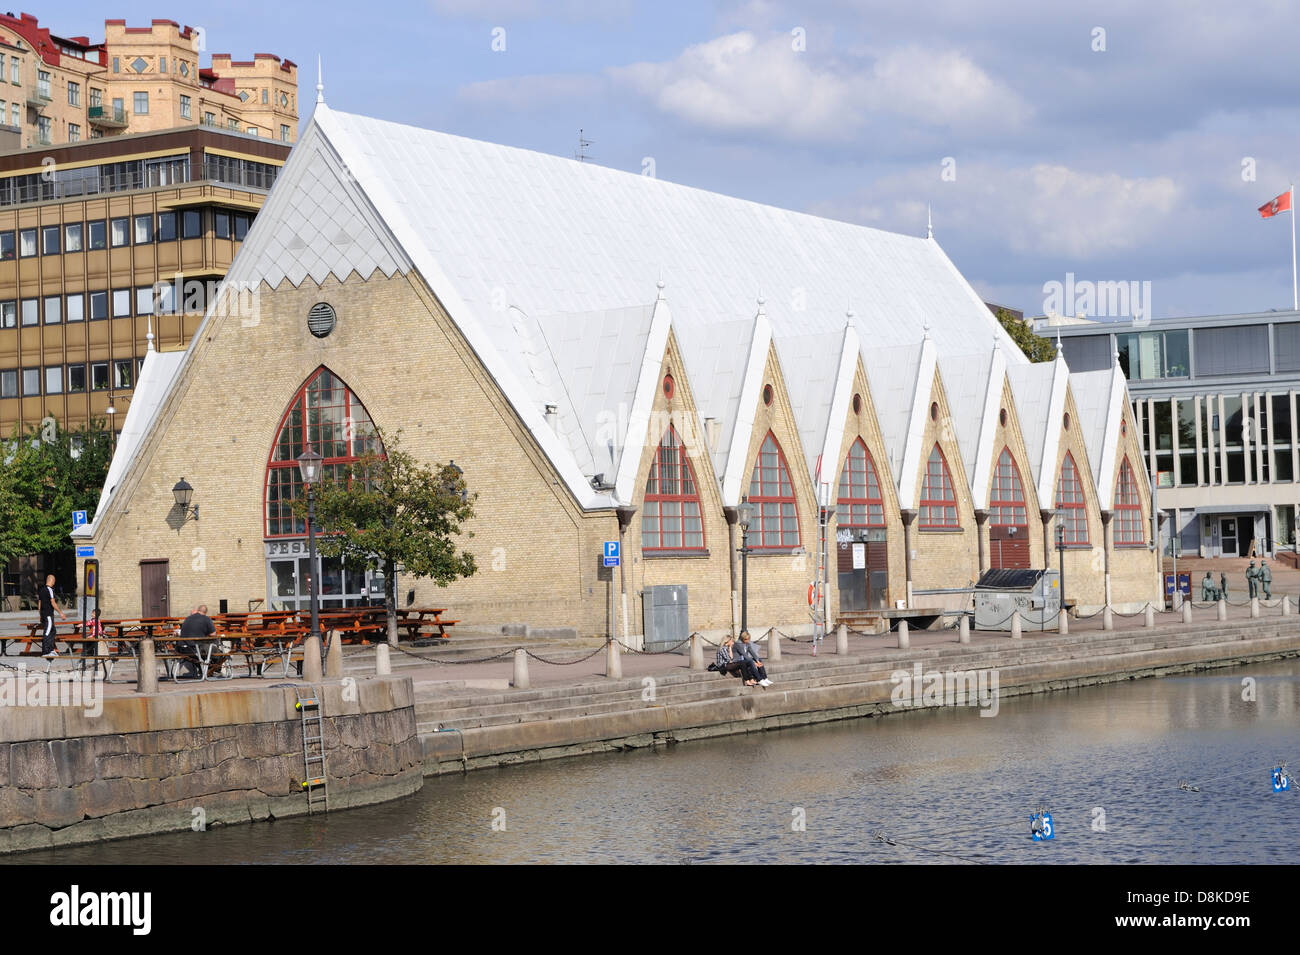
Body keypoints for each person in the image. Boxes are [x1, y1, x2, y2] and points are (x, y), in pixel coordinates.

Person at [176, 605, 217, 678]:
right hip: (195, 649)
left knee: (205, 650)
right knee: (214, 650)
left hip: (181, 648)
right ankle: (214, 669)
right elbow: (213, 634)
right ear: (205, 612)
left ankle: (206, 671)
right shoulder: (206, 619)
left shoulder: (187, 618)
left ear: (198, 610)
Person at [38, 573, 67, 658]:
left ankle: (51, 649)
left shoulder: (41, 590)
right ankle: (46, 651)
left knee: (53, 631)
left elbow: (39, 604)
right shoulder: (50, 589)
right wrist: (61, 613)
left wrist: (40, 615)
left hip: (44, 614)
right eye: (54, 581)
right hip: (48, 615)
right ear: (52, 581)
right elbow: (53, 602)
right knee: (47, 632)